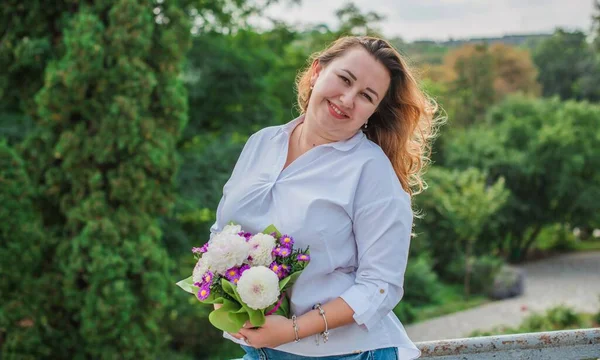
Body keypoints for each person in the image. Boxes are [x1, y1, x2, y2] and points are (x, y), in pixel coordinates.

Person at [209, 36, 441, 360]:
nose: (347, 99)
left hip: (345, 354)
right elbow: (222, 232)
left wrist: (291, 330)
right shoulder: (262, 142)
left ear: (373, 111)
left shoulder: (371, 171)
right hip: (261, 352)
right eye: (344, 79)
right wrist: (221, 294)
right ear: (317, 71)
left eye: (366, 96)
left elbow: (380, 286)